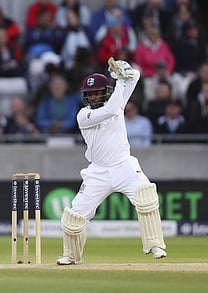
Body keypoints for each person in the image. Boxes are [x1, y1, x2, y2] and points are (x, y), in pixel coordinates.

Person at [56, 58, 167, 265]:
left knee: (146, 197)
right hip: (98, 172)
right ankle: (71, 256)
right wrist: (120, 82)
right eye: (89, 94)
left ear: (105, 92)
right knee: (75, 216)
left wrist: (126, 70)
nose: (93, 96)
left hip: (125, 166)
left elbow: (136, 76)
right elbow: (111, 110)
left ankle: (155, 245)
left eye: (97, 92)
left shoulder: (116, 100)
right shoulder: (84, 115)